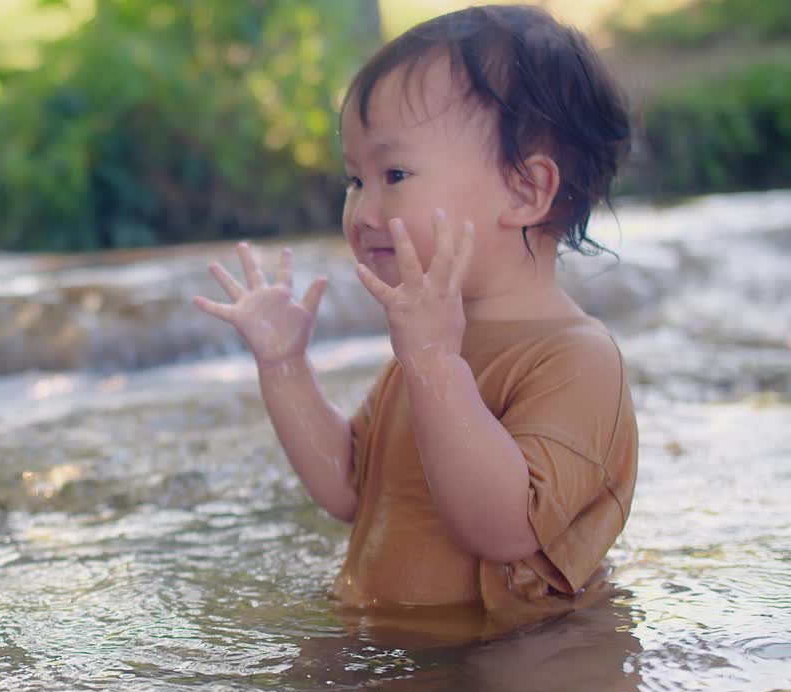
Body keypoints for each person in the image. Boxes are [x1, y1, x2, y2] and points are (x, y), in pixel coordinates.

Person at [194, 4, 637, 629]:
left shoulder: (575, 359)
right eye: (354, 179)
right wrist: (286, 367)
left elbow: (503, 528)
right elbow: (350, 488)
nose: (362, 210)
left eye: (393, 174)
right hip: (393, 642)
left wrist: (434, 364)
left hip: (509, 657)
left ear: (525, 191)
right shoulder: (433, 343)